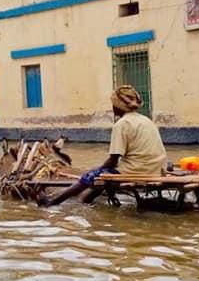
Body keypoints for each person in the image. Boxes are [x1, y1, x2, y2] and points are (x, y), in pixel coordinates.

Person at [39, 86, 167, 206]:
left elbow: (113, 160)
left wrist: (95, 170)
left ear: (117, 106)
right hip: (156, 168)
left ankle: (52, 203)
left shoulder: (122, 124)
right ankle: (86, 200)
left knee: (88, 176)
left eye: (113, 105)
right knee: (101, 176)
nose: (112, 108)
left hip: (136, 170)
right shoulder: (146, 120)